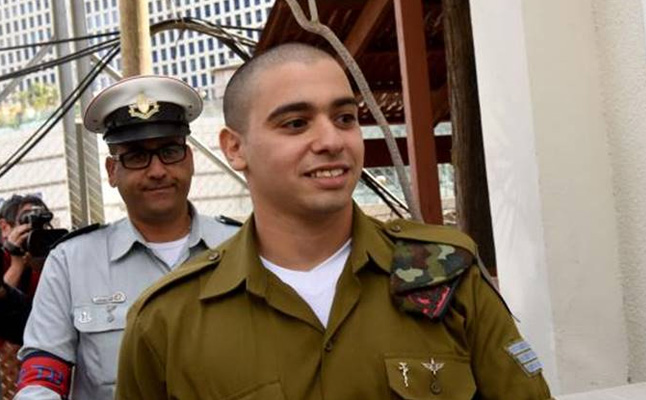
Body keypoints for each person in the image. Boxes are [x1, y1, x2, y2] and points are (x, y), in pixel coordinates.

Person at [116, 43, 552, 400]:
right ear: (235, 148)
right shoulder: (168, 321)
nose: (330, 140)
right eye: (296, 123)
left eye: (345, 118)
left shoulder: (445, 273)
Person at [14, 76, 241, 400]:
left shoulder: (242, 247)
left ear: (189, 159)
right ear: (112, 171)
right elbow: (42, 376)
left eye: (170, 151)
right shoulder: (71, 263)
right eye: (136, 156)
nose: (157, 170)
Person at [0, 194, 50, 345]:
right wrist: (17, 265)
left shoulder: (49, 259)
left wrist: (41, 267)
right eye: (26, 222)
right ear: (4, 227)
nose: (33, 231)